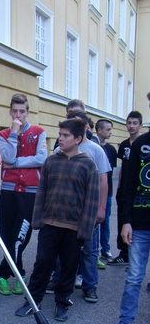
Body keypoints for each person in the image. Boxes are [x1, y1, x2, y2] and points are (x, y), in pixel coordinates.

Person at [15, 118, 99, 321]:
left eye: (65, 135)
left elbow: (91, 200)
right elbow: (41, 192)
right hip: (50, 224)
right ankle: (33, 301)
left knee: (69, 267)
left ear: (78, 139)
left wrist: (85, 231)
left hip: (73, 228)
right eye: (60, 134)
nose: (60, 138)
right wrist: (38, 220)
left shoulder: (88, 165)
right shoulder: (51, 161)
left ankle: (62, 302)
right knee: (42, 263)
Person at [102, 122, 150, 324]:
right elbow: (128, 186)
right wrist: (126, 222)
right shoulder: (141, 144)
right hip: (139, 224)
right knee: (134, 277)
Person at [0, 93, 47, 295]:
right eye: (15, 111)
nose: (18, 115)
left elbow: (41, 158)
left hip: (30, 192)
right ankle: (16, 275)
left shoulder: (39, 132)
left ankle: (5, 273)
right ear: (10, 112)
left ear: (28, 112)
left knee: (20, 237)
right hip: (9, 192)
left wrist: (16, 163)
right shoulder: (3, 135)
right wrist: (14, 133)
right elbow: (7, 157)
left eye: (22, 111)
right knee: (8, 236)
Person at [65, 110, 110, 304]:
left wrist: (102, 208)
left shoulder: (95, 150)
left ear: (85, 127)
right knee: (64, 248)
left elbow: (103, 180)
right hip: (67, 209)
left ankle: (90, 286)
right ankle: (60, 281)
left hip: (89, 208)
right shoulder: (62, 148)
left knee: (90, 250)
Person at [108, 111, 143, 266]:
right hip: (124, 190)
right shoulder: (123, 145)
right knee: (122, 220)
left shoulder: (143, 144)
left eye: (135, 123)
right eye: (129, 123)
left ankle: (136, 254)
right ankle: (124, 253)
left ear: (140, 125)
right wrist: (119, 187)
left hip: (139, 190)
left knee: (137, 223)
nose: (131, 126)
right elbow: (122, 168)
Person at [95, 119, 117, 263]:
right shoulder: (94, 147)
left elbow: (110, 173)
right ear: (99, 130)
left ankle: (105, 249)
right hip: (94, 192)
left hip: (107, 192)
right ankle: (94, 251)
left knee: (105, 221)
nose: (110, 132)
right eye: (108, 129)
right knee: (94, 224)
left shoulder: (111, 149)